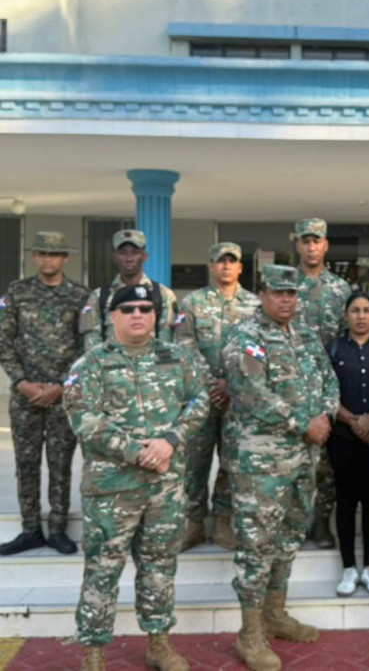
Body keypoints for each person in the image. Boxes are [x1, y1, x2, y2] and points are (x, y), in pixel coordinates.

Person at [64, 284, 210, 671]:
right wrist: (140, 452)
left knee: (160, 567)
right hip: (112, 491)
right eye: (127, 308)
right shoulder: (90, 365)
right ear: (112, 317)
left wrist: (170, 440)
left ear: (156, 315)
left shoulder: (178, 358)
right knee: (102, 569)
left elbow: (199, 401)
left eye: (146, 308)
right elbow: (85, 421)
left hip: (165, 489)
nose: (137, 315)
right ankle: (94, 652)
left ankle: (159, 643)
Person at [222, 265, 339, 671]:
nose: (286, 300)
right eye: (278, 293)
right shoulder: (245, 336)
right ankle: (249, 632)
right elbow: (249, 391)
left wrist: (324, 416)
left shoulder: (305, 333)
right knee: (257, 543)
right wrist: (300, 423)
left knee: (290, 535)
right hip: (260, 459)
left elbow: (328, 378)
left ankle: (275, 613)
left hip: (304, 456)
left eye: (292, 293)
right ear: (262, 294)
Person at [0, 231, 89, 556]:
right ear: (35, 257)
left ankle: (58, 529)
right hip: (25, 394)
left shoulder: (80, 296)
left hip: (62, 396)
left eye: (55, 254)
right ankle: (30, 530)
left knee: (61, 463)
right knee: (26, 463)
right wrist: (21, 381)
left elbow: (86, 346)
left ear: (65, 258)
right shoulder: (17, 292)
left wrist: (61, 385)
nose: (48, 259)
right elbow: (4, 339)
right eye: (43, 254)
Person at [173, 241, 260, 551]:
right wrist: (211, 384)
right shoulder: (192, 303)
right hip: (200, 397)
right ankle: (193, 522)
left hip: (237, 399)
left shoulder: (254, 305)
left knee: (231, 461)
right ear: (210, 266)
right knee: (193, 461)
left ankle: (224, 521)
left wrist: (231, 386)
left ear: (240, 267)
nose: (225, 266)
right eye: (219, 261)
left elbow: (255, 351)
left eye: (231, 261)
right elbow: (184, 346)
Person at [326, 291, 369, 597]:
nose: (360, 316)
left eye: (367, 310)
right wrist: (354, 420)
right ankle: (347, 567)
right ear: (345, 316)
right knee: (345, 501)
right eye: (354, 310)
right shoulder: (333, 348)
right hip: (342, 437)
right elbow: (324, 390)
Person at [293, 217, 351, 549]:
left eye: (317, 241)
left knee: (328, 460)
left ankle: (321, 522)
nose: (312, 247)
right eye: (306, 241)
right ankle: (297, 522)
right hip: (294, 383)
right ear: (298, 245)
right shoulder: (287, 285)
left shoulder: (340, 289)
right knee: (297, 457)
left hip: (331, 384)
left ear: (326, 245)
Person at [80, 229, 178, 351]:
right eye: (123, 253)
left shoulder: (163, 294)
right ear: (115, 256)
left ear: (144, 256)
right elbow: (92, 340)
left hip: (151, 366)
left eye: (135, 252)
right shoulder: (100, 296)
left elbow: (167, 339)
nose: (129, 258)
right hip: (111, 366)